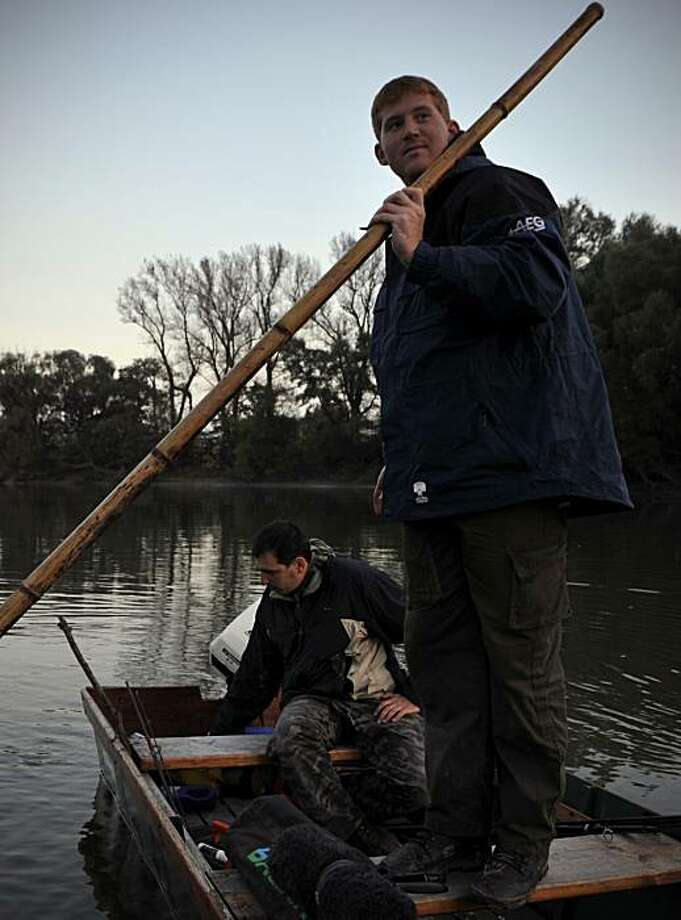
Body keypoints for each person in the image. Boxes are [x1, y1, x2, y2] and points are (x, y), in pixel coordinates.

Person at [367, 76, 632, 909]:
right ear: (376, 150)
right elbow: (419, 364)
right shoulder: (405, 229)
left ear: (452, 123)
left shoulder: (499, 191)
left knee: (518, 671)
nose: (409, 132)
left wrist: (422, 254)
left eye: (421, 117)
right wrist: (398, 453)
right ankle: (452, 837)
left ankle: (519, 849)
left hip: (510, 476)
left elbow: (530, 286)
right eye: (391, 126)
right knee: (444, 674)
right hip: (432, 480)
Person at [212, 520, 427, 856]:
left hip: (377, 700)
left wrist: (416, 696)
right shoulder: (274, 603)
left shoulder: (358, 582)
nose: (262, 581)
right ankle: (361, 836)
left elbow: (427, 633)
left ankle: (331, 798)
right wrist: (219, 733)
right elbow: (255, 676)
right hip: (314, 701)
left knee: (417, 787)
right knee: (288, 738)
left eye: (270, 572)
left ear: (299, 565)